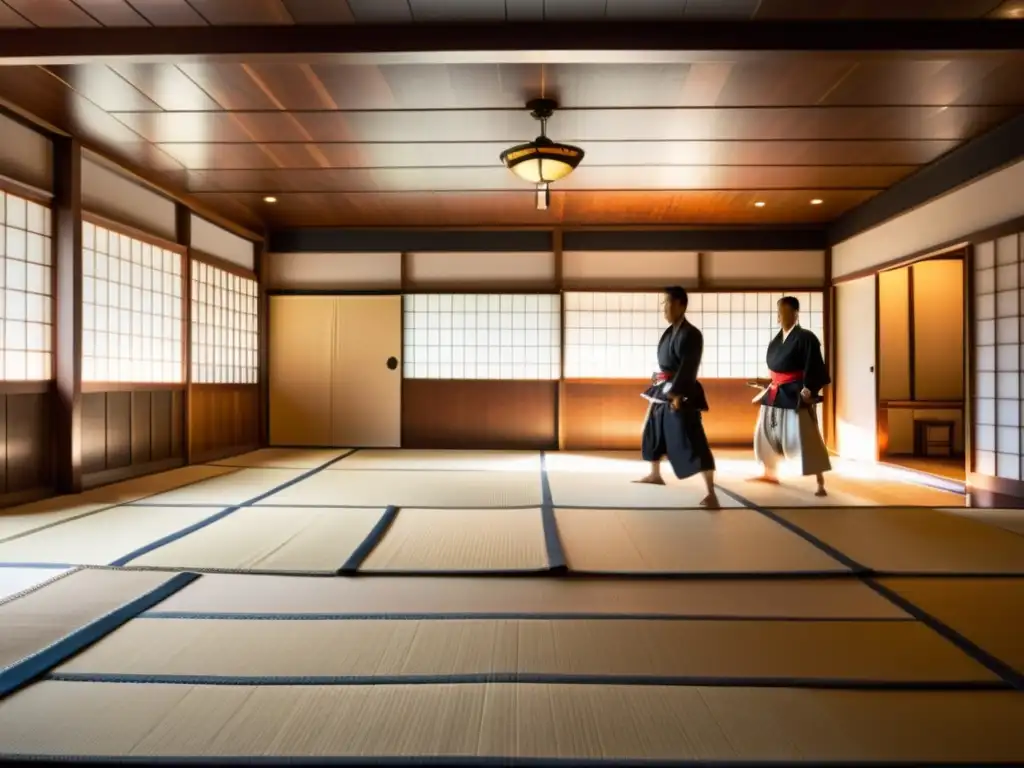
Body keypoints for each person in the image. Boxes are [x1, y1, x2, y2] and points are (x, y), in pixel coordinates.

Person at [634, 286, 719, 509]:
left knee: (692, 437)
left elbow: (689, 366)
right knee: (653, 429)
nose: (664, 308)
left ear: (681, 305)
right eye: (663, 304)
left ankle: (711, 492)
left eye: (668, 303)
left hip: (681, 390)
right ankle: (655, 474)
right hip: (664, 387)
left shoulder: (691, 334)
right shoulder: (670, 332)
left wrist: (677, 393)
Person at [748, 295, 831, 496]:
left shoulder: (806, 338)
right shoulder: (777, 340)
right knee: (764, 433)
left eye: (785, 312)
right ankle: (769, 472)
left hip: (795, 393)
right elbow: (777, 370)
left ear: (795, 313)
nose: (780, 316)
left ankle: (820, 481)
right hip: (775, 392)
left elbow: (814, 367)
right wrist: (766, 382)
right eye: (779, 312)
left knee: (805, 436)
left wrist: (808, 389)